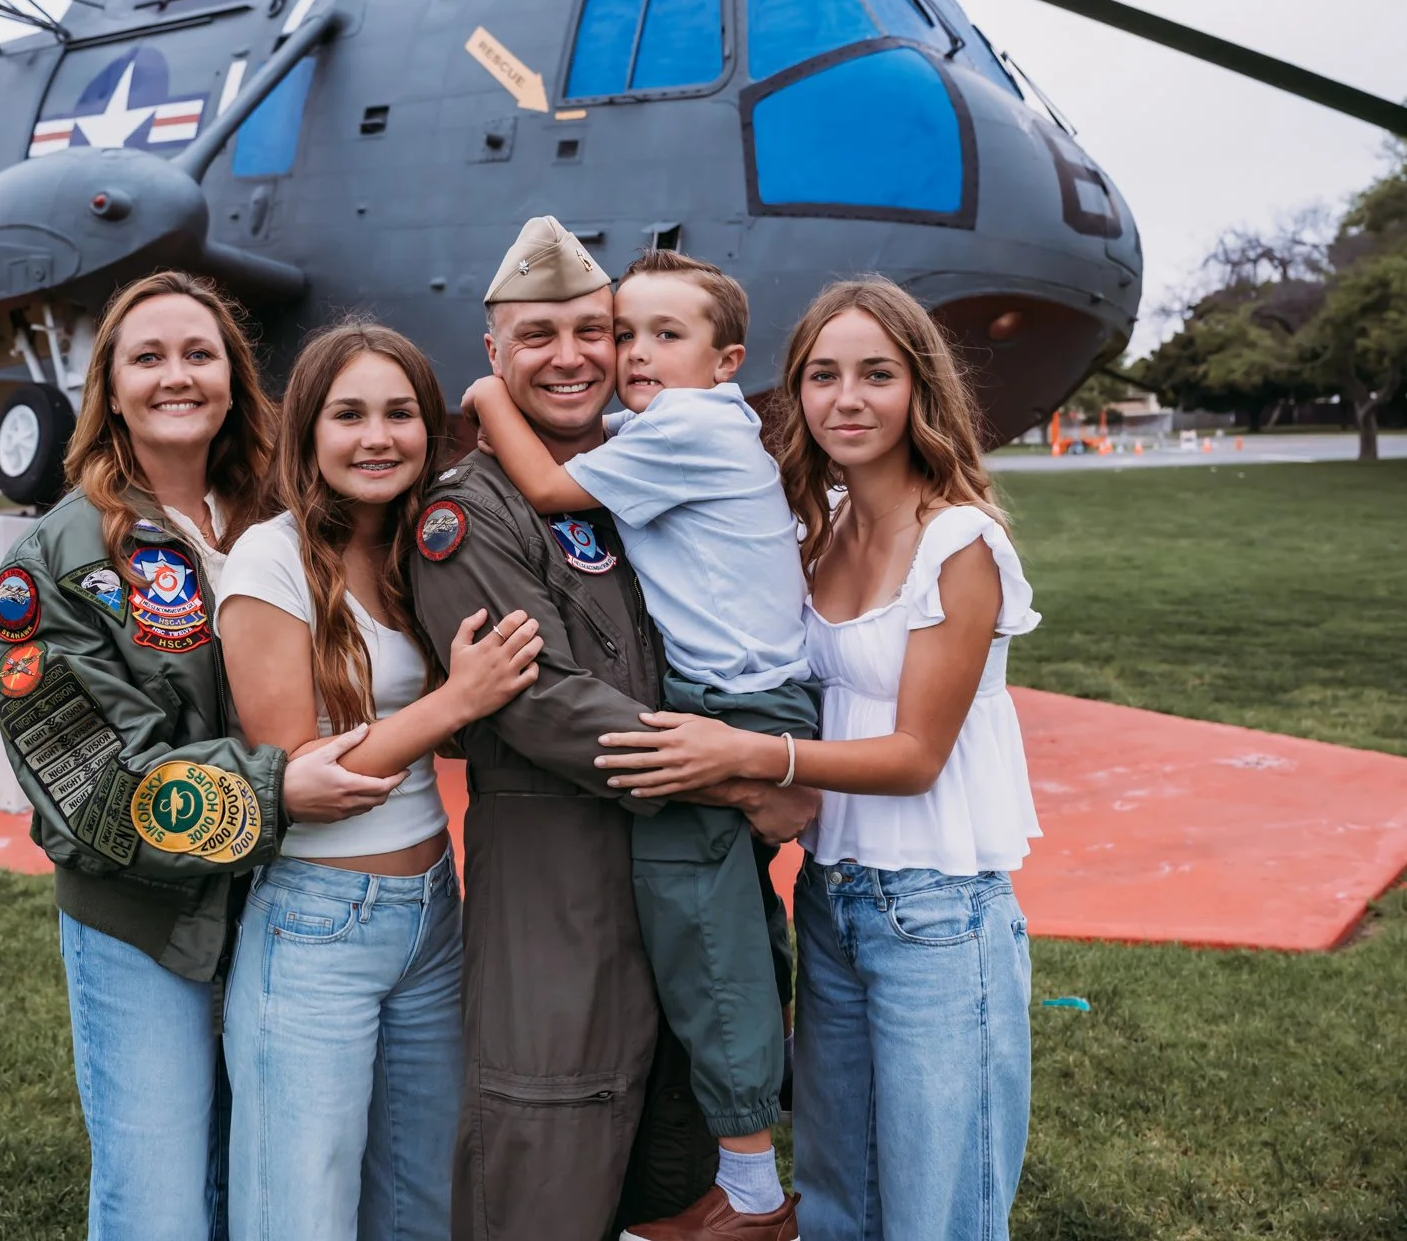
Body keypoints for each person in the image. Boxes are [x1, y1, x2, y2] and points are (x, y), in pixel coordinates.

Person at [594, 277, 1042, 1241]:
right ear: (791, 393)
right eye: (823, 376)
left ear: (920, 389)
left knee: (939, 1205)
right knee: (840, 1193)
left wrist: (748, 753)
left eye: (877, 375)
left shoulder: (959, 543)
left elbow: (919, 755)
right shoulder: (821, 522)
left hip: (938, 905)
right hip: (834, 893)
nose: (848, 399)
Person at [407, 216, 820, 1241]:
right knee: (551, 1146)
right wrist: (739, 773)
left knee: (671, 1152)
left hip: (668, 868)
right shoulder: (475, 511)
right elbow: (540, 698)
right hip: (563, 890)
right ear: (494, 357)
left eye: (598, 331)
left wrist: (771, 762)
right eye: (538, 336)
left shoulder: (635, 478)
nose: (587, 356)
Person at [0, 271, 399, 1241]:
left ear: (232, 379)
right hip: (144, 925)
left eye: (200, 354)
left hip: (286, 906)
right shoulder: (53, 561)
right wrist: (279, 789)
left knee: (266, 1181)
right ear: (112, 389)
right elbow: (94, 790)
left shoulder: (289, 528)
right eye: (149, 357)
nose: (178, 375)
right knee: (160, 1202)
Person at [214, 323, 545, 1241]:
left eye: (400, 413)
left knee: (422, 1200)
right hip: (319, 918)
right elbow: (304, 774)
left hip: (433, 913)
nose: (377, 437)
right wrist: (457, 700)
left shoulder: (419, 548)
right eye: (348, 414)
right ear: (307, 432)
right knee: (301, 1208)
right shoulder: (269, 561)